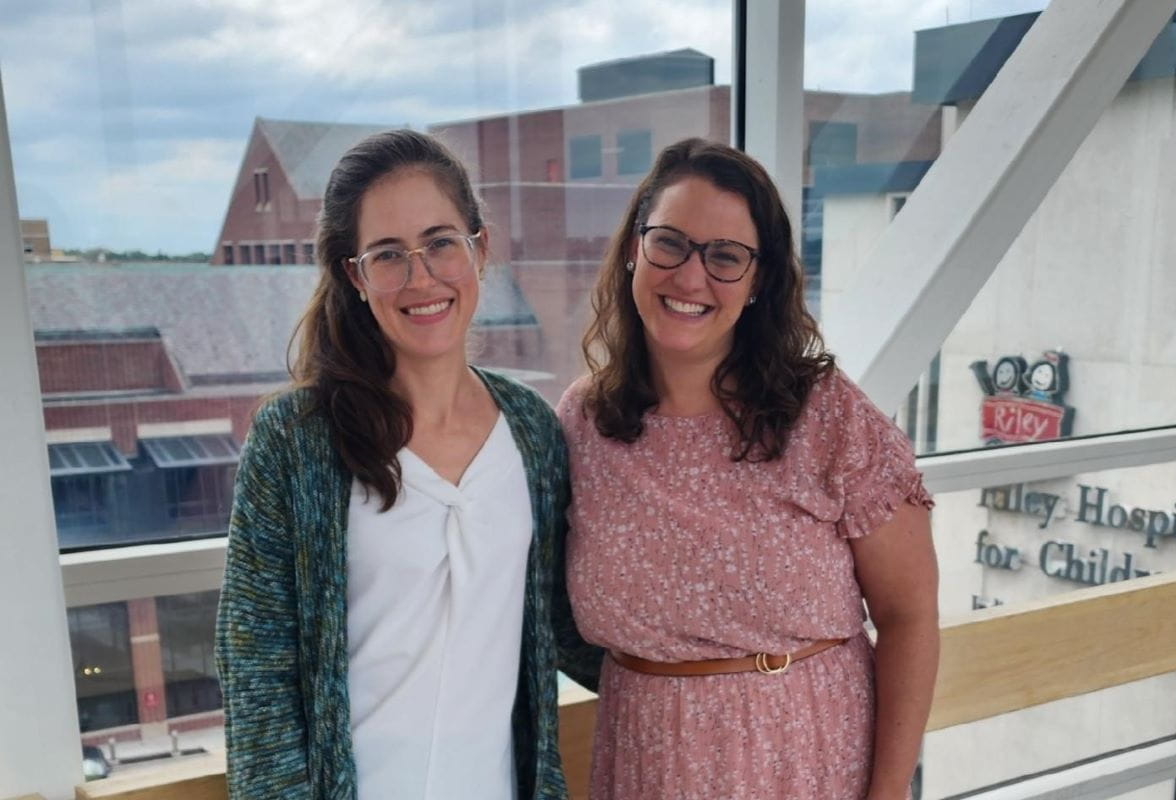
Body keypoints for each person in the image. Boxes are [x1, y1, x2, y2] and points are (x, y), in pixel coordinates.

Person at [216, 129, 601, 800]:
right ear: (355, 276)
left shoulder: (534, 432)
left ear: (479, 251)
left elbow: (567, 628)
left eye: (440, 242)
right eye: (388, 254)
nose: (421, 277)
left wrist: (721, 674)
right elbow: (258, 678)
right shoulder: (296, 440)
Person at [557, 138, 939, 800]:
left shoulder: (828, 417)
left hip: (804, 760)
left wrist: (886, 796)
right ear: (632, 250)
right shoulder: (583, 423)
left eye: (725, 256)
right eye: (669, 242)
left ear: (759, 281)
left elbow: (910, 615)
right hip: (641, 761)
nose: (690, 275)